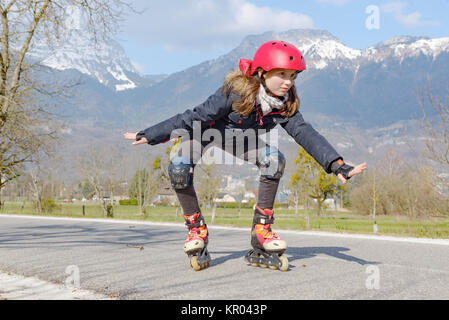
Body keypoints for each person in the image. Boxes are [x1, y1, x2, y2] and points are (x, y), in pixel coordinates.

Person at [124, 40, 367, 271]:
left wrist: (337, 164)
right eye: (281, 74)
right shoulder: (236, 91)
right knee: (178, 166)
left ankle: (261, 231)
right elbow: (194, 117)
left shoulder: (285, 103)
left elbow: (304, 133)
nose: (288, 82)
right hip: (206, 132)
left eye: (292, 76)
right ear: (262, 72)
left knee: (274, 159)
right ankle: (196, 229)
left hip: (240, 141)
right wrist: (153, 134)